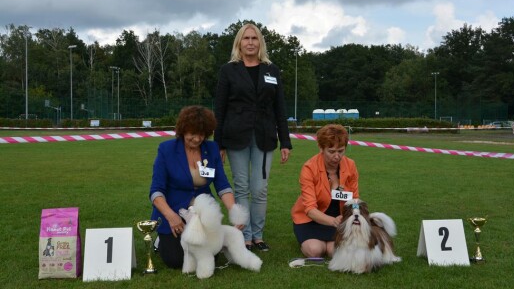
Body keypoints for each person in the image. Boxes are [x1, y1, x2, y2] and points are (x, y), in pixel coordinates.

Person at [214, 23, 292, 251]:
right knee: (241, 187)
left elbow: (280, 109)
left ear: (260, 43)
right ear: (239, 42)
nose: (250, 42)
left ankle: (258, 235)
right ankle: (245, 236)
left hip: (265, 137)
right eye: (246, 38)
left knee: (260, 189)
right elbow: (219, 109)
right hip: (235, 137)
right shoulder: (228, 70)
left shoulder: (272, 70)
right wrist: (218, 144)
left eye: (254, 38)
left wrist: (285, 141)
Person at [149, 105, 240, 269]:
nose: (197, 139)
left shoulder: (211, 149)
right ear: (183, 130)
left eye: (202, 134)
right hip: (174, 212)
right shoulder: (166, 149)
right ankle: (162, 239)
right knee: (176, 261)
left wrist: (234, 210)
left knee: (210, 256)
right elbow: (156, 190)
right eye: (192, 133)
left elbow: (222, 185)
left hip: (202, 214)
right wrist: (171, 216)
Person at [291, 124, 359, 258]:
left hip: (339, 218)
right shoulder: (309, 168)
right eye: (331, 151)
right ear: (321, 148)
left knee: (334, 251)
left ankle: (329, 242)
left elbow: (355, 199)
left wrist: (354, 214)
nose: (337, 156)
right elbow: (310, 209)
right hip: (310, 219)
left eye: (341, 151)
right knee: (315, 250)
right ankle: (311, 241)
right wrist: (333, 222)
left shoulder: (350, 165)